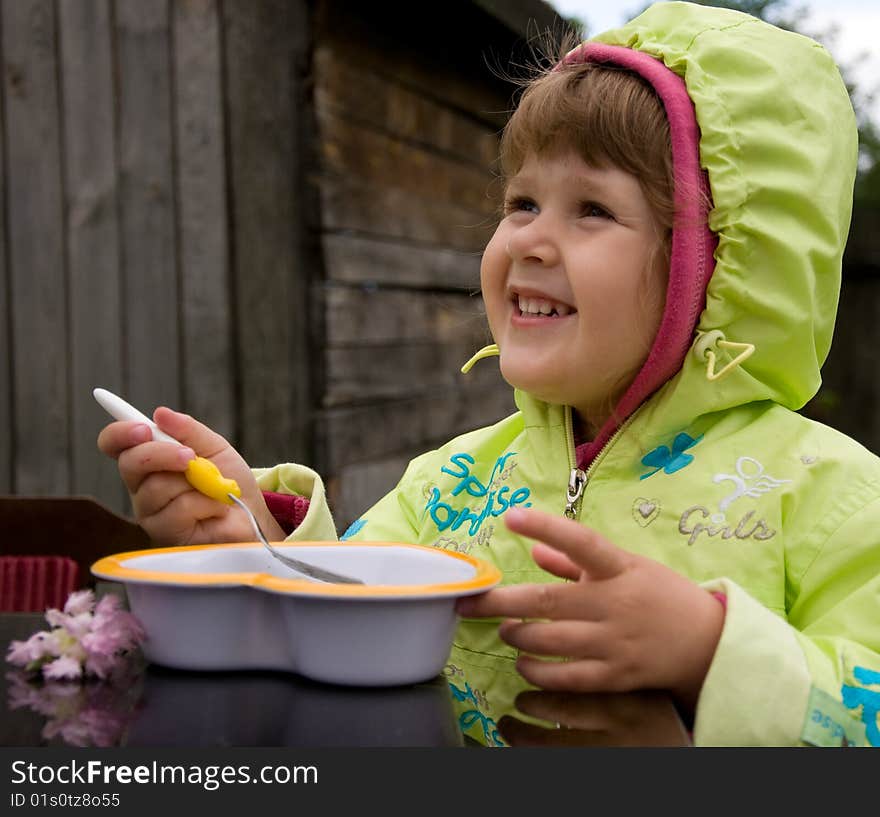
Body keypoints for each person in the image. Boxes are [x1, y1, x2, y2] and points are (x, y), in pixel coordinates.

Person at [97, 1, 880, 747]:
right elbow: (351, 621)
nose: (531, 241)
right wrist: (256, 541)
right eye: (522, 201)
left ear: (716, 270)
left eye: (593, 210)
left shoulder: (830, 498)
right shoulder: (449, 482)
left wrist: (712, 655)